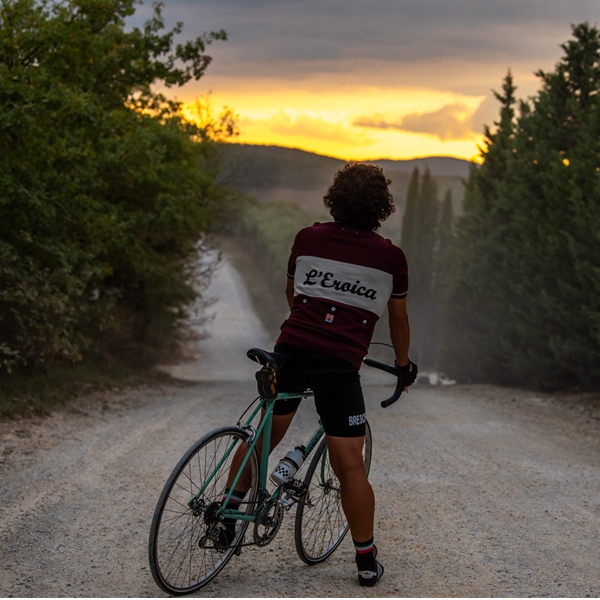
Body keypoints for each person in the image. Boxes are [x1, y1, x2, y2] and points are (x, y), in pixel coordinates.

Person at [223, 162, 417, 587]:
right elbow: (397, 321)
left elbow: (295, 293)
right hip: (339, 364)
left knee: (264, 437)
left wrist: (309, 327)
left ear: (334, 199)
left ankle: (227, 513)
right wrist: (403, 366)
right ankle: (366, 562)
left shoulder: (307, 238)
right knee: (350, 464)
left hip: (291, 350)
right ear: (382, 207)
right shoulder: (391, 258)